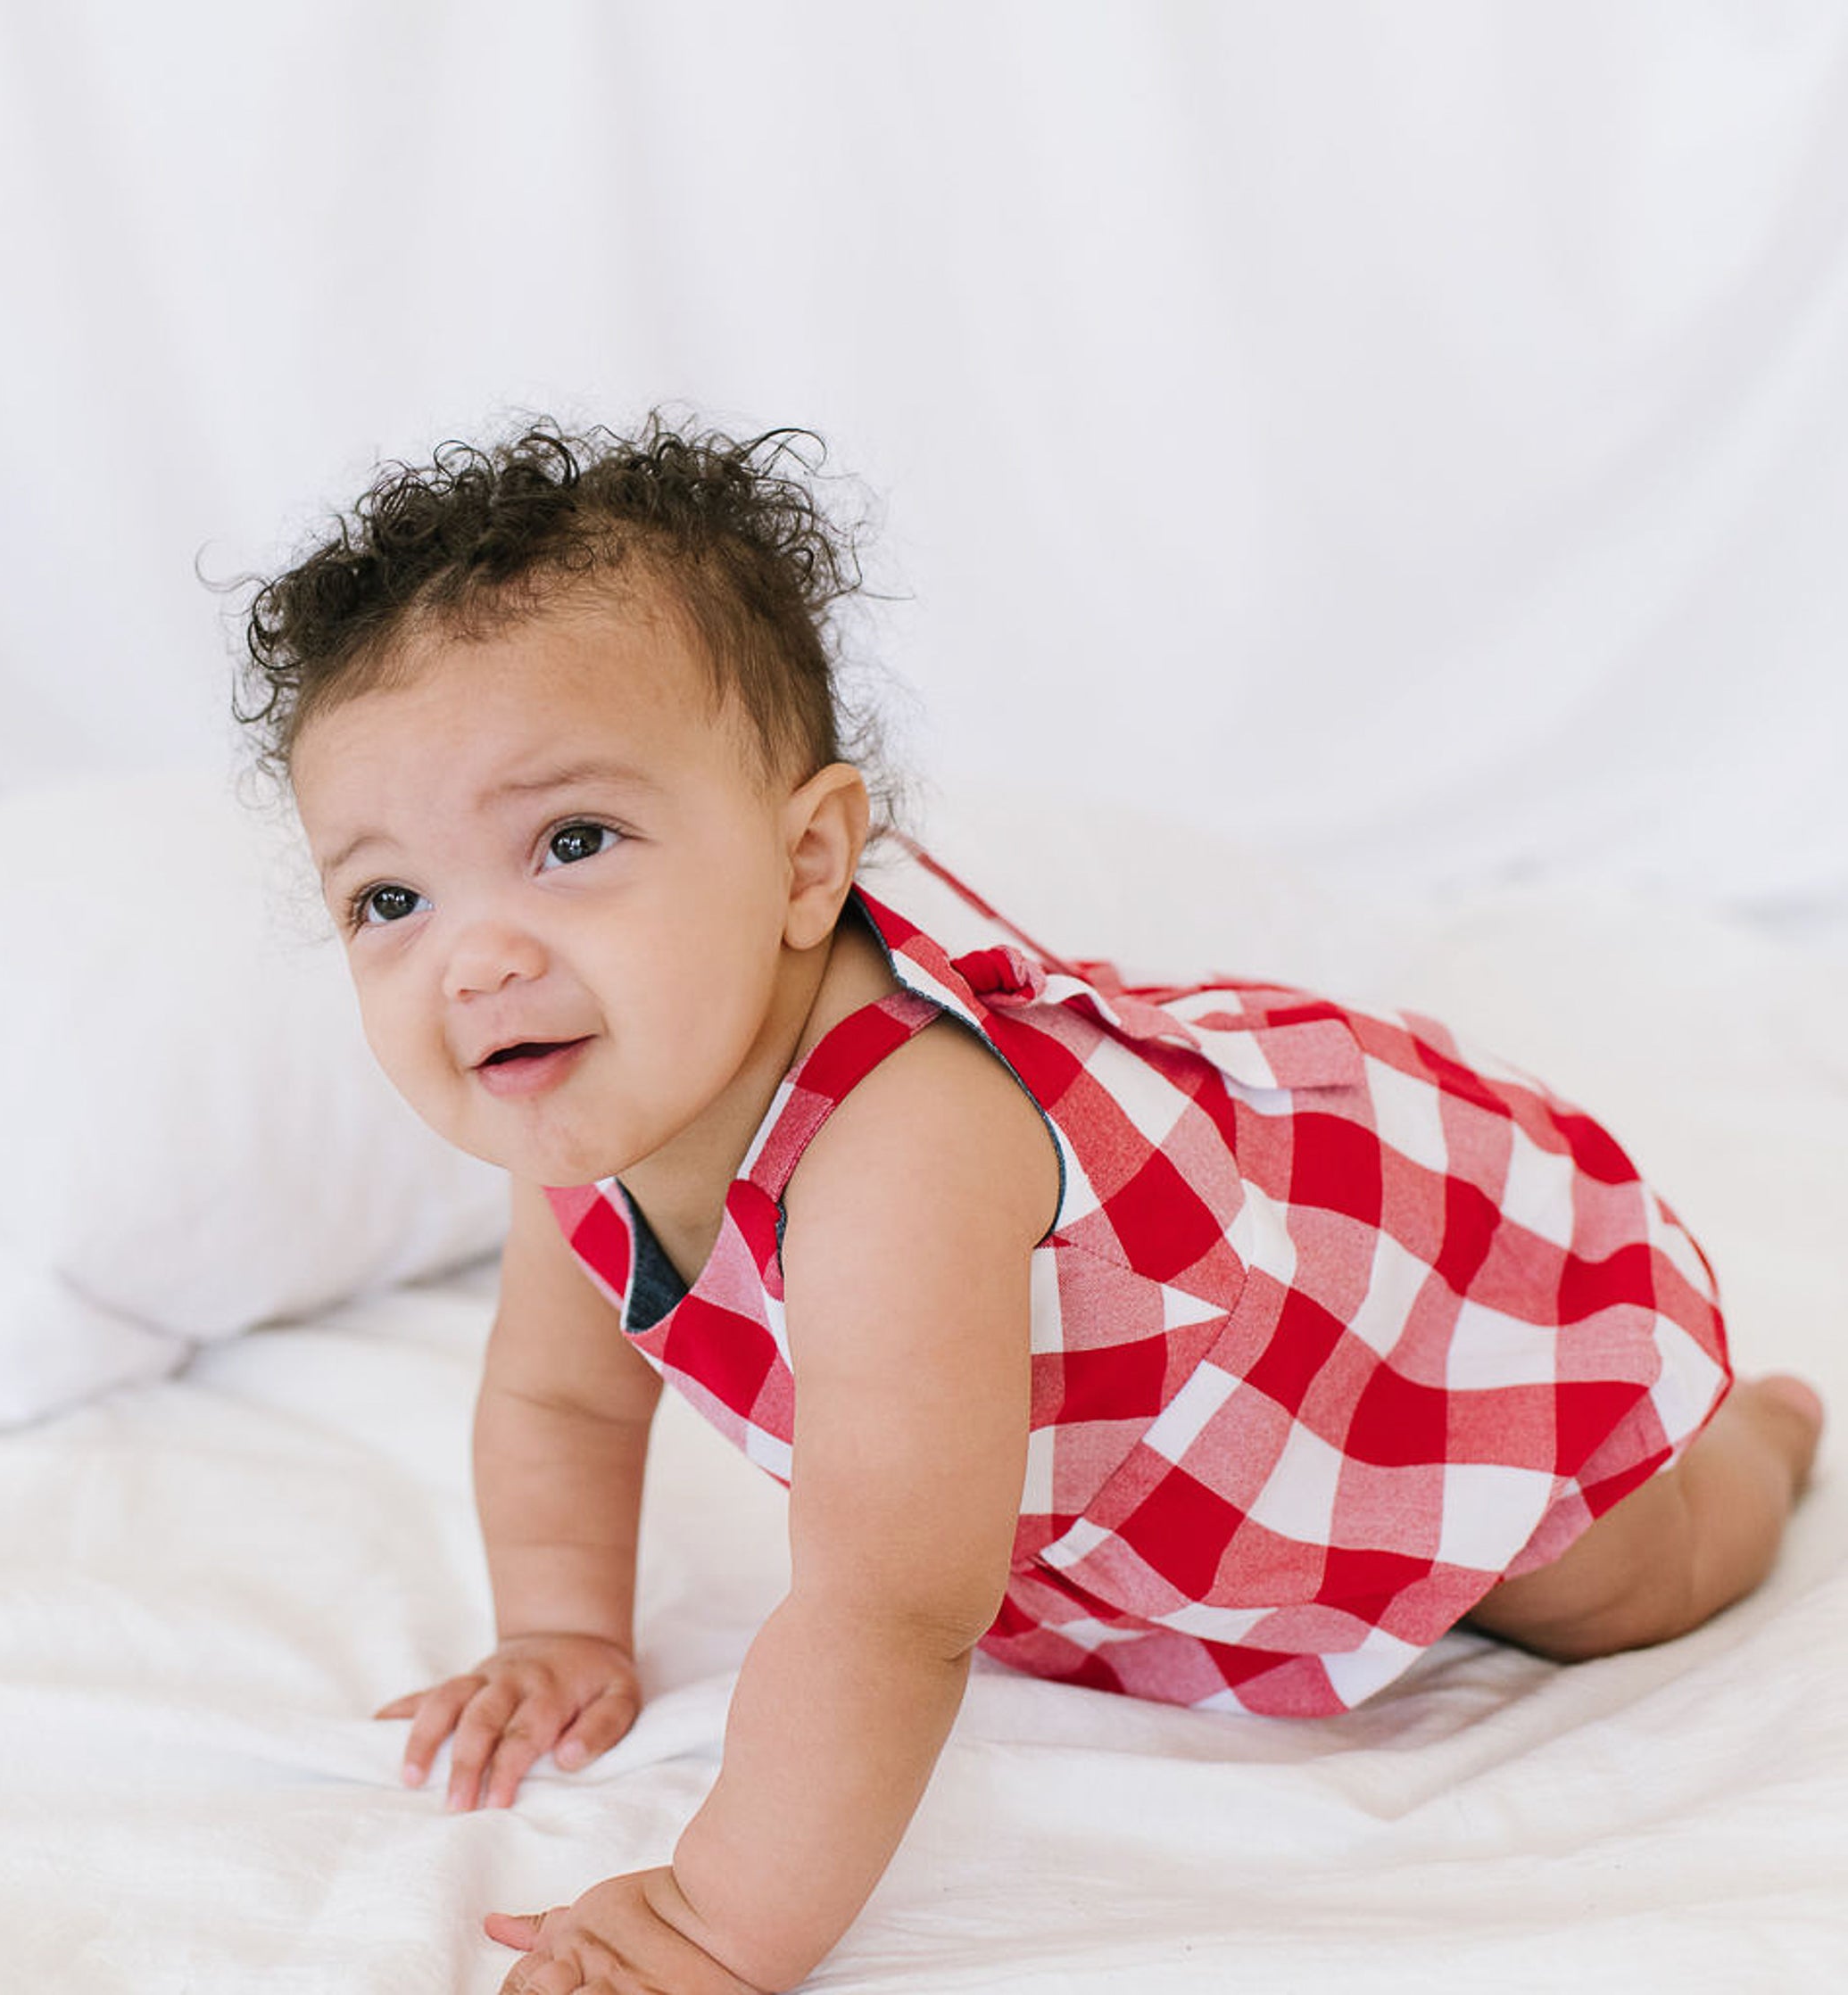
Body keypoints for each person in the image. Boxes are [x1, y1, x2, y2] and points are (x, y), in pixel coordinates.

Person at [237, 418, 1823, 1995]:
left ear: (808, 863)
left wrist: (720, 1918)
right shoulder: (584, 1112)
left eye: (571, 842)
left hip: (1376, 1312)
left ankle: (1755, 1438)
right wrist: (562, 1632)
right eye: (391, 898)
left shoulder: (903, 1145)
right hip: (1154, 1456)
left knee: (1610, 1589)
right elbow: (561, 1401)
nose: (478, 957)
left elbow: (890, 1609)